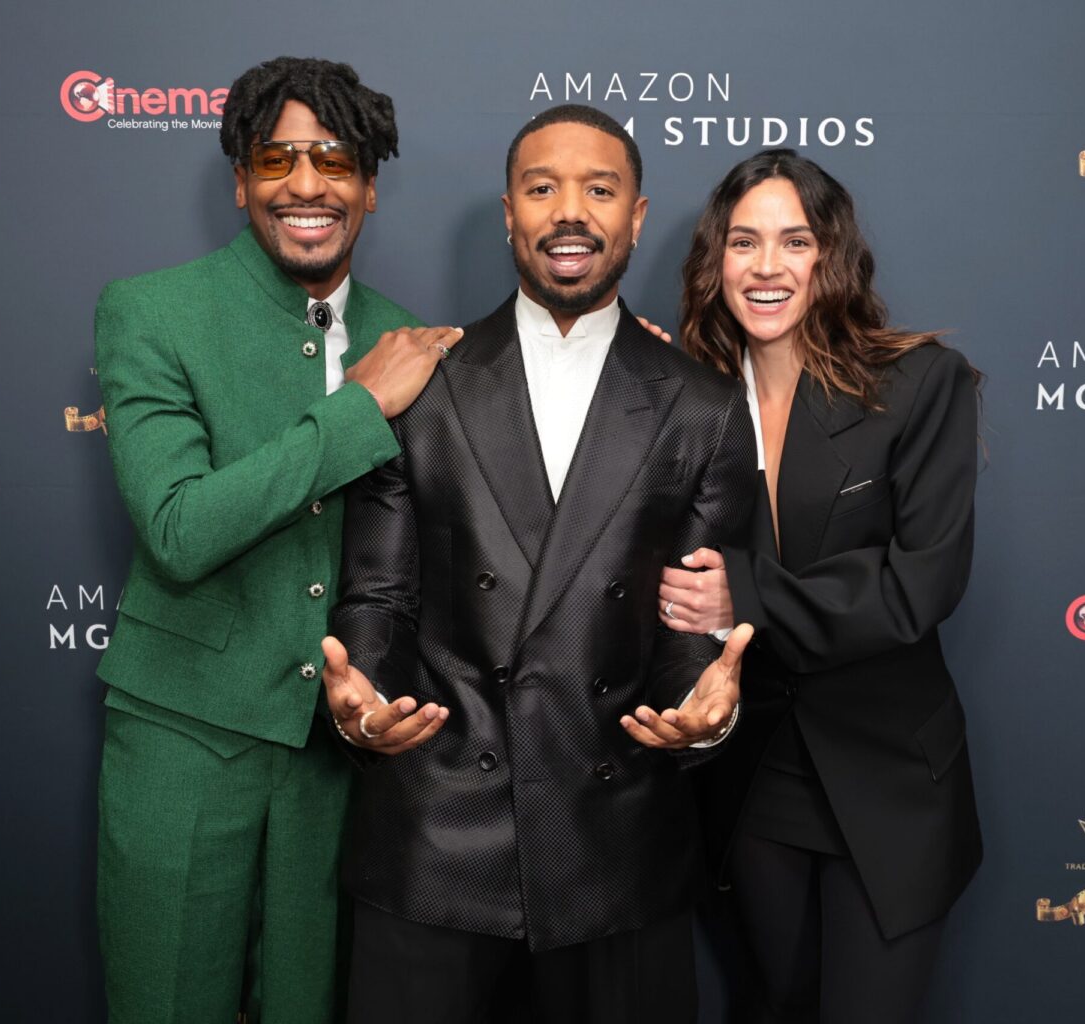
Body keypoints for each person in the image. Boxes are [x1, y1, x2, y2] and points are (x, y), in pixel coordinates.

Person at [320, 104, 758, 1024]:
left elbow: (694, 621)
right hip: (436, 831)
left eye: (600, 190)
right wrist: (364, 697)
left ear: (636, 217)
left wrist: (701, 716)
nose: (571, 211)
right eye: (542, 187)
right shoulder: (420, 381)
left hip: (617, 843)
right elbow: (380, 591)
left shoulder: (703, 403)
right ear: (508, 214)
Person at [93, 56, 461, 1023]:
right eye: (277, 158)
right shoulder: (152, 311)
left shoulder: (407, 339)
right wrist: (359, 408)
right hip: (184, 737)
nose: (306, 184)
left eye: (334, 159)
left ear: (369, 189)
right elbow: (177, 528)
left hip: (336, 759)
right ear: (242, 183)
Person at [661, 149, 982, 1024]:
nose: (767, 267)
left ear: (830, 257)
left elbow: (919, 585)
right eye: (743, 243)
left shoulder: (919, 386)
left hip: (887, 782)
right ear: (713, 263)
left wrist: (747, 599)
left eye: (794, 242)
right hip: (753, 779)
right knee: (775, 1006)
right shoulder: (687, 402)